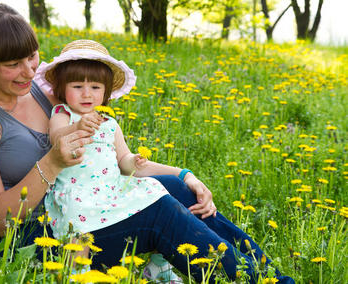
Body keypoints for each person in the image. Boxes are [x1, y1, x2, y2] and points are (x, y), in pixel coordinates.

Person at [0, 3, 293, 283]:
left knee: (173, 190)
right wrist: (53, 161)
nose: (29, 71)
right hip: (33, 242)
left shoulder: (36, 88)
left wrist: (185, 173)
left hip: (79, 205)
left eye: (32, 57)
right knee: (159, 212)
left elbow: (105, 155)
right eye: (12, 64)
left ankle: (271, 277)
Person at [35, 39, 294, 284]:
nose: (86, 94)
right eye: (77, 87)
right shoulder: (62, 114)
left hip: (110, 194)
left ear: (106, 92)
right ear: (62, 88)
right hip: (80, 199)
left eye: (95, 87)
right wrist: (78, 126)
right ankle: (78, 274)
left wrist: (135, 161)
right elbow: (56, 136)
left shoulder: (109, 123)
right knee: (78, 239)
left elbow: (123, 161)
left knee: (156, 191)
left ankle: (160, 265)